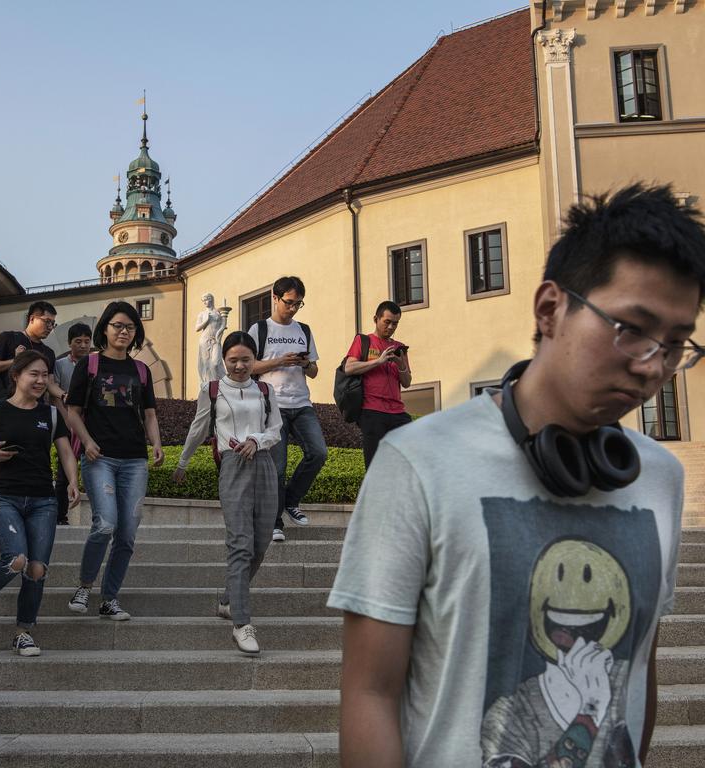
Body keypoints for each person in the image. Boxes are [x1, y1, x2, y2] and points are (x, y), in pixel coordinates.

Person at [328, 184, 705, 766]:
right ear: (550, 308)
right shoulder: (417, 462)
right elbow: (371, 694)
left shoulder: (660, 478)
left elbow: (638, 674)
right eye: (631, 328)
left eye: (677, 345)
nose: (653, 366)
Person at [0, 350, 80, 656]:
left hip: (43, 501)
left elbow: (65, 451)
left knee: (37, 569)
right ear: (16, 376)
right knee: (16, 559)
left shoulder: (49, 414)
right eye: (33, 374)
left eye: (45, 375)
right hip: (3, 496)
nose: (40, 380)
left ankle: (24, 632)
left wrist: (73, 482)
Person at [173, 331, 282, 654]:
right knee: (240, 545)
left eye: (245, 359)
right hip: (233, 467)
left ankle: (227, 600)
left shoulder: (265, 389)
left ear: (254, 360)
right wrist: (183, 461)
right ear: (224, 360)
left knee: (260, 545)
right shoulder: (214, 389)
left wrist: (257, 440)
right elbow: (199, 425)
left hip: (263, 464)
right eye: (233, 360)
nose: (239, 365)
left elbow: (275, 428)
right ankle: (241, 623)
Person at [64, 301, 164, 621]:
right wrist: (88, 441)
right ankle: (84, 586)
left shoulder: (141, 370)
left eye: (130, 327)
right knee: (105, 523)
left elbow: (149, 413)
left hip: (134, 460)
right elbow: (73, 411)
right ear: (105, 328)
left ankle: (110, 598)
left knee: (127, 534)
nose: (123, 331)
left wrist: (157, 443)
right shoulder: (90, 365)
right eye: (117, 325)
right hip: (100, 458)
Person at [248, 276, 326, 543]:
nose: (292, 309)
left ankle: (291, 501)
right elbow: (248, 367)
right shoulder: (259, 330)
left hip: (302, 403)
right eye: (289, 302)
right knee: (277, 468)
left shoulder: (303, 330)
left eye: (298, 304)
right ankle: (274, 523)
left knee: (318, 453)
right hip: (272, 405)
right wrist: (279, 360)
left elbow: (315, 371)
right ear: (275, 297)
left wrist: (304, 364)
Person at [342, 301, 412, 468]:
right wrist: (379, 361)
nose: (390, 327)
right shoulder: (363, 340)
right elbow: (349, 367)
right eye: (387, 322)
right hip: (372, 411)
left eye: (395, 323)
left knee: (408, 459)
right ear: (376, 319)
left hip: (397, 411)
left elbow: (407, 383)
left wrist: (400, 364)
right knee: (374, 467)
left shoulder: (399, 347)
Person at [0, 301, 63, 409]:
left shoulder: (48, 352)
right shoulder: (9, 338)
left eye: (53, 323)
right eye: (47, 321)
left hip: (35, 408)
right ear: (32, 319)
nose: (50, 327)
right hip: (6, 405)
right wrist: (15, 361)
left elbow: (50, 383)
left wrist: (65, 395)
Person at [53, 323, 93, 525]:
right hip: (66, 424)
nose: (83, 346)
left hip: (89, 426)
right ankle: (60, 516)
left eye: (87, 341)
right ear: (70, 343)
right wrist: (67, 420)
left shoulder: (95, 365)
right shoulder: (60, 365)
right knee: (63, 472)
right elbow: (56, 396)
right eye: (78, 341)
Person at [195, 293, 226, 384]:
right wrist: (206, 321)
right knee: (205, 364)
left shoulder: (218, 313)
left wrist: (219, 334)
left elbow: (223, 325)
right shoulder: (202, 314)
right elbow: (197, 328)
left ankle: (220, 384)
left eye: (206, 300)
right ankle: (208, 385)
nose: (204, 302)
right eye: (203, 301)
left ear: (211, 299)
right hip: (204, 340)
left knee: (216, 363)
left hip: (216, 340)